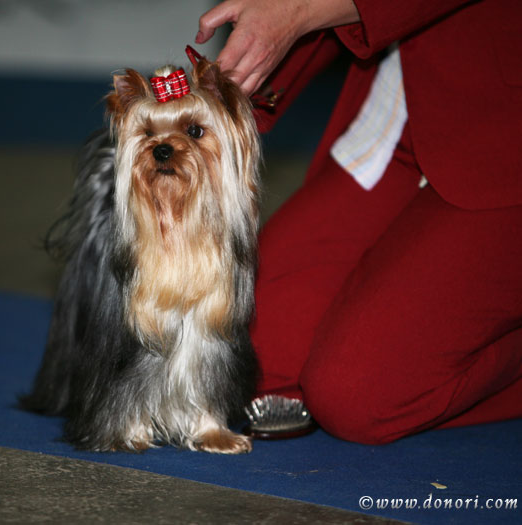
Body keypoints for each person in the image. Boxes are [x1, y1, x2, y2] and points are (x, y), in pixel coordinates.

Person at [196, 0, 522, 444]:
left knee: (356, 399)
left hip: (505, 133)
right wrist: (235, 82)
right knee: (249, 359)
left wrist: (299, 12)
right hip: (410, 92)